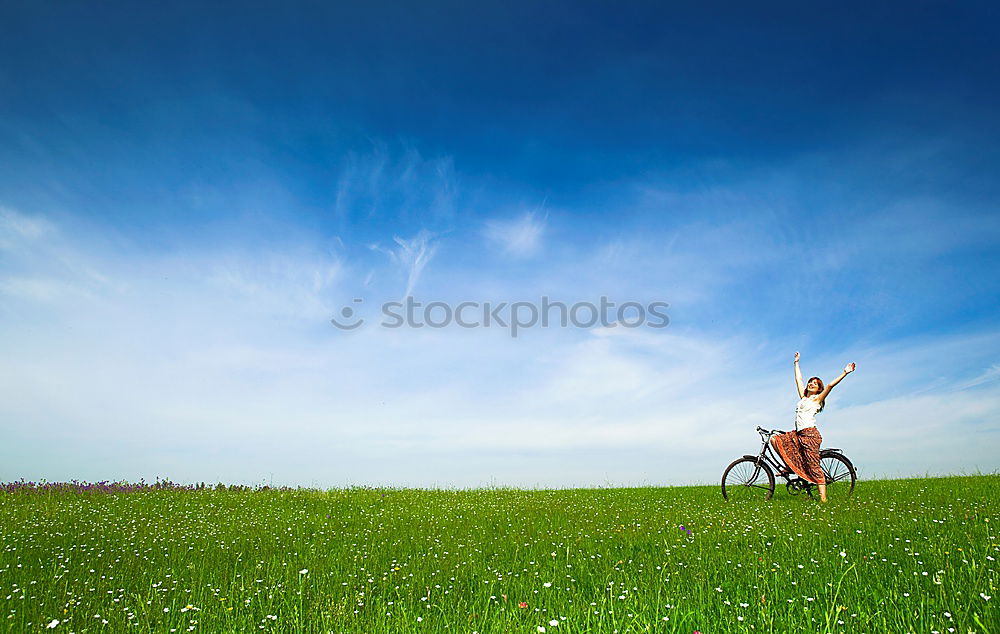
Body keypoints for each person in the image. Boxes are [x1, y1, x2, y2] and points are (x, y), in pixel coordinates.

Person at [771, 352, 856, 502]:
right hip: (798, 434)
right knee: (774, 440)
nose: (811, 384)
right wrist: (796, 363)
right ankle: (790, 466)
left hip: (810, 435)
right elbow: (799, 379)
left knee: (814, 466)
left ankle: (823, 499)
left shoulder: (817, 399)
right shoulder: (803, 398)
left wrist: (845, 373)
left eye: (815, 384)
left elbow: (830, 385)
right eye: (811, 382)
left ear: (818, 389)